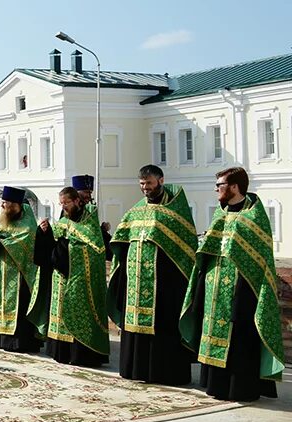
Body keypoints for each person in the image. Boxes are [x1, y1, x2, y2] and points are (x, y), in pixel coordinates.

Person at [180, 167, 284, 402]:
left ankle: (240, 388)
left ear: (235, 187)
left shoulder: (254, 217)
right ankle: (215, 385)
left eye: (221, 185)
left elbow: (260, 260)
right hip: (213, 289)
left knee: (239, 337)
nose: (216, 189)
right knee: (212, 333)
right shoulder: (220, 214)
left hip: (242, 289)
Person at [108, 165, 197, 385]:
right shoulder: (136, 210)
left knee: (163, 326)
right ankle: (136, 369)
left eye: (148, 183)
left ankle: (164, 372)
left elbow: (186, 248)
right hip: (135, 283)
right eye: (141, 184)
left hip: (166, 283)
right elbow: (121, 241)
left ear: (160, 181)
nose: (145, 188)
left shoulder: (176, 210)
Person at [35, 186, 109, 367]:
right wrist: (44, 233)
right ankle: (60, 351)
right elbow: (51, 246)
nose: (64, 207)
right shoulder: (62, 222)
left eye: (66, 203)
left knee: (79, 313)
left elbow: (95, 249)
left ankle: (82, 354)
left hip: (81, 279)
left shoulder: (89, 223)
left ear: (77, 201)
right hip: (60, 277)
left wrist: (70, 248)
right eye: (61, 204)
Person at [0, 186, 44, 353]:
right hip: (3, 271)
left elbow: (16, 241)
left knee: (20, 306)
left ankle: (20, 342)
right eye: (2, 202)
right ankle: (1, 337)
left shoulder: (28, 226)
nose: (2, 206)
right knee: (1, 302)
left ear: (16, 205)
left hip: (20, 275)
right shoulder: (3, 223)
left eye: (5, 203)